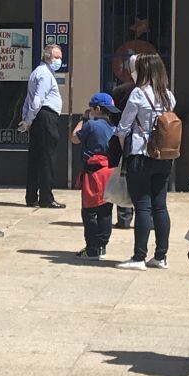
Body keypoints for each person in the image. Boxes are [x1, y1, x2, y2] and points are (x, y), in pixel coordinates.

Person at [114, 53, 175, 270]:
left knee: (142, 205)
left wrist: (123, 148)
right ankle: (161, 255)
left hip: (141, 154)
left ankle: (139, 257)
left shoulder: (138, 94)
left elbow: (124, 126)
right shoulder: (168, 95)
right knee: (160, 206)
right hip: (163, 156)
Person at [70, 93, 121, 260]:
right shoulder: (114, 128)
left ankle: (91, 248)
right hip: (110, 172)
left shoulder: (90, 125)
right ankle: (102, 247)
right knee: (106, 211)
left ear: (97, 109)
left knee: (90, 212)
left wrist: (82, 120)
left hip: (93, 174)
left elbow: (74, 138)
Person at [21, 45, 65, 209]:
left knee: (35, 158)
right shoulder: (45, 74)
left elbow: (29, 99)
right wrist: (29, 118)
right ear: (48, 57)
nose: (60, 60)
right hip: (45, 118)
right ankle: (46, 198)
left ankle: (31, 196)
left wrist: (27, 118)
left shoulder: (36, 72)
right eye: (57, 57)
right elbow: (37, 100)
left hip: (38, 118)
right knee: (47, 158)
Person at [109, 56, 136, 230]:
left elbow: (113, 115)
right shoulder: (155, 91)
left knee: (124, 178)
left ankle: (124, 219)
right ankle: (147, 219)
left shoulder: (119, 91)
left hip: (122, 137)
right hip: (145, 142)